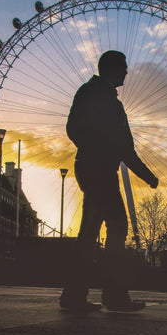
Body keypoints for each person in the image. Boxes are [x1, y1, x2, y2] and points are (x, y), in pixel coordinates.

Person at [60, 51, 158, 312]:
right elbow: (123, 146)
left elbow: (76, 129)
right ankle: (114, 296)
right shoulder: (102, 98)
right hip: (100, 171)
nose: (127, 72)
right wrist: (146, 174)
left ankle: (74, 296)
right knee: (117, 228)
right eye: (124, 67)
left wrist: (93, 148)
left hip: (92, 168)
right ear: (111, 69)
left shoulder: (92, 93)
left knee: (89, 233)